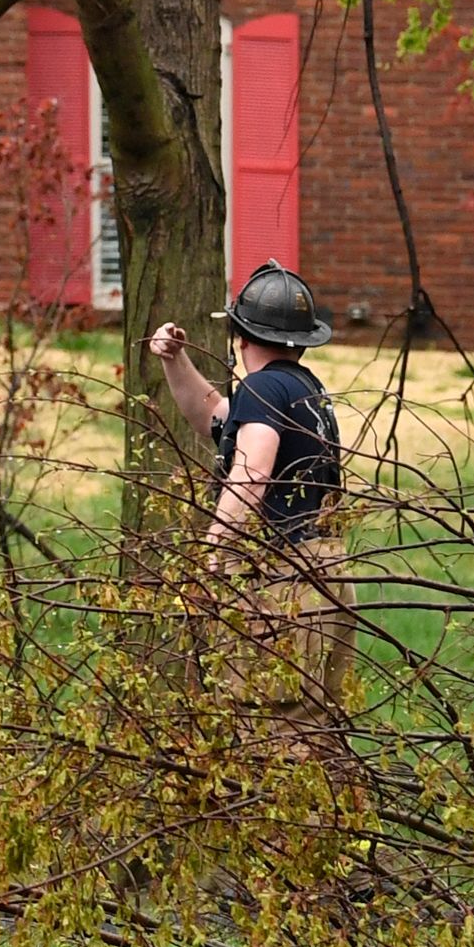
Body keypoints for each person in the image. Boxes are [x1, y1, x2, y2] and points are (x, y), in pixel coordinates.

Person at [147, 260, 350, 716]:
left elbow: (253, 470)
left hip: (283, 583)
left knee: (268, 728)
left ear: (239, 336)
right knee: (316, 727)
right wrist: (174, 360)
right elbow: (215, 418)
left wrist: (213, 551)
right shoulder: (300, 389)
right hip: (327, 573)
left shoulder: (261, 390)